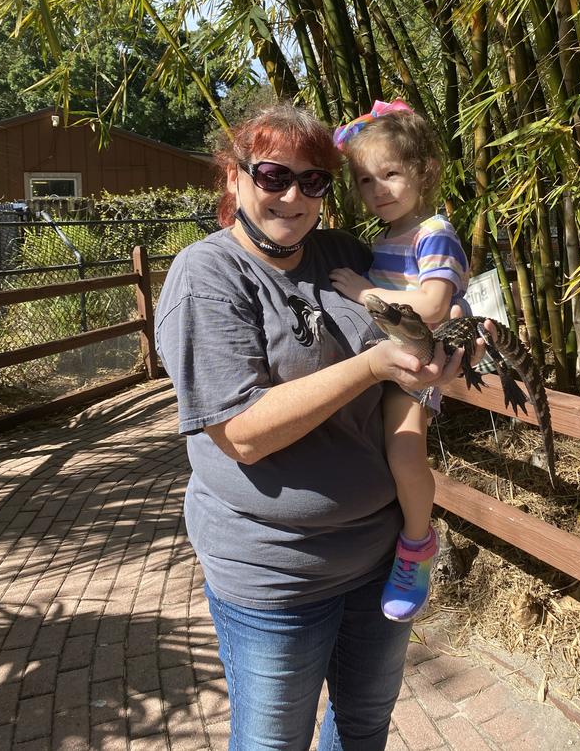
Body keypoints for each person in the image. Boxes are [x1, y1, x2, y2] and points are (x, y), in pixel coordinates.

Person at [154, 104, 488, 751]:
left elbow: (425, 305)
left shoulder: (341, 252)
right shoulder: (208, 275)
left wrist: (462, 343)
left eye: (313, 182)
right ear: (233, 178)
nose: (292, 195)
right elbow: (242, 432)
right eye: (274, 174)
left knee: (363, 729)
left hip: (377, 554)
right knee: (274, 742)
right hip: (277, 573)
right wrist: (371, 366)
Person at [330, 101, 471, 623]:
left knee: (406, 453)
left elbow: (435, 305)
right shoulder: (384, 239)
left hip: (414, 362)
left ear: (423, 171)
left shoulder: (432, 232)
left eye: (390, 174)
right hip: (385, 356)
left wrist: (367, 293)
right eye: (366, 180)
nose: (378, 190)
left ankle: (417, 547)